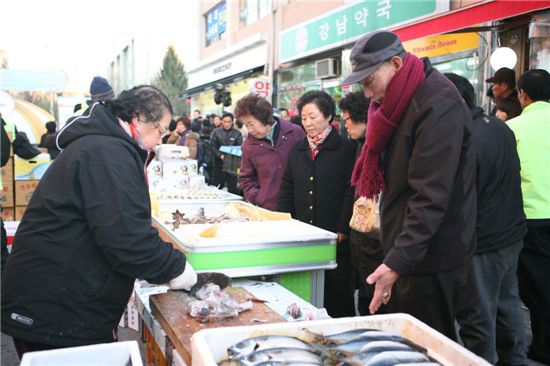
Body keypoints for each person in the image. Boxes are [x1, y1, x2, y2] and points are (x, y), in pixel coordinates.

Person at [1, 85, 198, 359]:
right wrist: (175, 268)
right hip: (57, 309)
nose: (159, 141)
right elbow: (127, 240)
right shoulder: (107, 152)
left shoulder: (105, 145)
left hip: (62, 300)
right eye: (159, 130)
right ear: (137, 117)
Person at [341, 30, 475, 340]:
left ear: (396, 63)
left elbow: (429, 196)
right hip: (406, 247)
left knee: (427, 345)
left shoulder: (437, 103)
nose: (367, 94)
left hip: (432, 254)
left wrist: (397, 261)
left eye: (369, 81)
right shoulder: (399, 98)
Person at [446, 73, 527, 365]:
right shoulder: (498, 128)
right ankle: (515, 360)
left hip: (482, 242)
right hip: (510, 236)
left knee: (478, 318)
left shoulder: (466, 138)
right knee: (507, 307)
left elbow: (459, 199)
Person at [278, 90, 356, 318]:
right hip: (304, 235)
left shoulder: (345, 148)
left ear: (328, 116)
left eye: (313, 117)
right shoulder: (298, 149)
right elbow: (287, 188)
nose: (308, 123)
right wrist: (283, 222)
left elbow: (351, 190)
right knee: (308, 294)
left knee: (338, 294)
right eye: (304, 118)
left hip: (334, 236)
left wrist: (343, 226)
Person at [506, 69, 550, 365]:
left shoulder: (514, 127)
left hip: (532, 217)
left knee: (536, 287)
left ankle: (543, 348)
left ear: (522, 95)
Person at [338, 91, 386, 316]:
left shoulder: (378, 145)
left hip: (377, 240)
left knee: (376, 306)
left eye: (346, 118)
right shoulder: (360, 145)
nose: (345, 124)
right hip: (362, 239)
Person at [235, 93, 305, 211]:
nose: (250, 130)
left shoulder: (295, 133)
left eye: (252, 124)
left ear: (264, 117)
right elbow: (246, 177)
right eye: (247, 125)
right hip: (269, 208)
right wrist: (258, 198)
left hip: (299, 205)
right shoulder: (249, 145)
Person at [210, 112, 243, 189]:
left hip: (233, 165)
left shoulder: (237, 133)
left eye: (229, 122)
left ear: (232, 122)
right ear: (221, 121)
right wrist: (220, 155)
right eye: (224, 121)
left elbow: (240, 147)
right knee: (217, 187)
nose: (226, 124)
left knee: (232, 189)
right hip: (218, 164)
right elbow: (212, 147)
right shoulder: (216, 132)